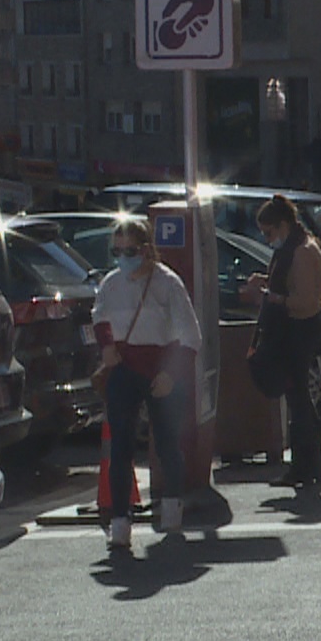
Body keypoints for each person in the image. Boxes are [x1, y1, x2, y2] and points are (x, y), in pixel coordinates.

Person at [92, 219, 203, 550]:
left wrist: (171, 374)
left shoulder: (167, 283)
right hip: (126, 368)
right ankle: (120, 521)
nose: (124, 257)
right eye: (117, 251)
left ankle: (172, 507)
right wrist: (107, 346)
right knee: (121, 447)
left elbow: (191, 335)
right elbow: (99, 316)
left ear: (145, 249)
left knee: (167, 442)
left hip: (161, 368)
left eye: (130, 250)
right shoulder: (111, 284)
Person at [244, 194, 321, 489]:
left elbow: (304, 300)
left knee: (299, 400)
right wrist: (267, 285)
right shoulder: (294, 248)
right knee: (298, 400)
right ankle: (307, 465)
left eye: (269, 233)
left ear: (282, 225)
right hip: (294, 329)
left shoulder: (302, 252)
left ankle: (308, 465)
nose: (268, 239)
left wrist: (271, 297)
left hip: (299, 330)